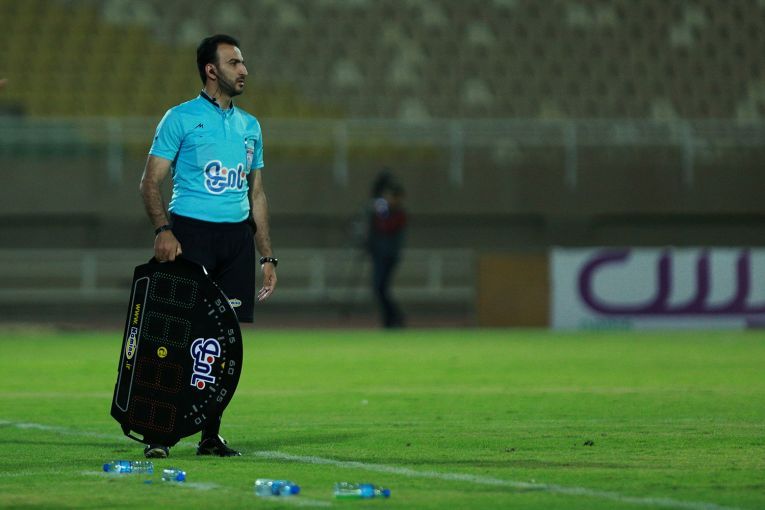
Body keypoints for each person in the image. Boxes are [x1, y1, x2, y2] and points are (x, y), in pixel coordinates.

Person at [138, 34, 277, 458]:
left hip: (236, 242)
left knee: (222, 342)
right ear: (211, 70)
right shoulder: (180, 118)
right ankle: (159, 432)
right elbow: (150, 182)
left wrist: (267, 255)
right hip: (190, 236)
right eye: (235, 62)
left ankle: (209, 434)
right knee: (175, 335)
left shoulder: (250, 126)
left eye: (243, 62)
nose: (244, 70)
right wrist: (163, 230)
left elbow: (257, 194)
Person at [366, 170, 406, 328]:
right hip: (379, 254)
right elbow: (378, 220)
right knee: (379, 288)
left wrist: (380, 209)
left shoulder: (399, 214)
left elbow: (386, 226)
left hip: (389, 255)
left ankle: (394, 317)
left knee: (380, 288)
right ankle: (391, 318)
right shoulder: (384, 211)